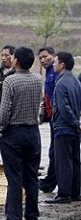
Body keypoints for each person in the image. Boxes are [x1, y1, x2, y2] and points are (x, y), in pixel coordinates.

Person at [0, 46, 42, 220]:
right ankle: (32, 214)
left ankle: (14, 215)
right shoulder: (39, 79)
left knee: (14, 177)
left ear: (16, 61)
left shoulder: (10, 81)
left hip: (13, 133)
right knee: (31, 176)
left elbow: (5, 110)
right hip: (33, 132)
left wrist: (1, 128)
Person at [45, 51, 81, 204]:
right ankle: (75, 192)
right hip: (74, 129)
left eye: (56, 62)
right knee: (74, 160)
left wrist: (73, 122)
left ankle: (64, 193)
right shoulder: (76, 81)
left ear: (62, 65)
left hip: (63, 127)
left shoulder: (60, 83)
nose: (53, 64)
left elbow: (63, 107)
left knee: (63, 161)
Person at [37, 46, 58, 193]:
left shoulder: (55, 73)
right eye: (40, 58)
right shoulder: (49, 73)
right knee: (53, 150)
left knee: (55, 152)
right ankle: (49, 181)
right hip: (52, 118)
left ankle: (50, 183)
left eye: (45, 56)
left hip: (58, 118)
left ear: (54, 56)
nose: (43, 60)